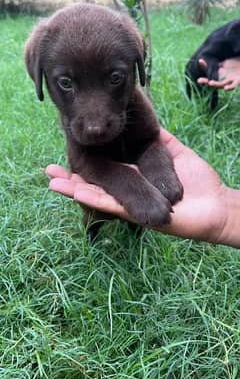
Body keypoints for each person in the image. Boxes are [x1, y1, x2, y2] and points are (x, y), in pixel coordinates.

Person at [45, 58, 240, 249]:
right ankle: (92, 233)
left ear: (137, 67)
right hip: (97, 177)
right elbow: (82, 159)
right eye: (65, 83)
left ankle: (136, 233)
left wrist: (158, 168)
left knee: (137, 222)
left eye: (115, 78)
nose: (94, 126)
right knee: (95, 215)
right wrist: (132, 188)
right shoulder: (76, 124)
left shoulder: (138, 107)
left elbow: (151, 140)